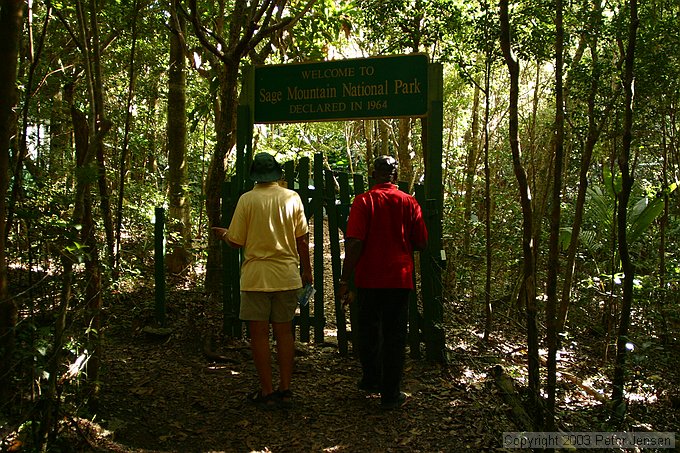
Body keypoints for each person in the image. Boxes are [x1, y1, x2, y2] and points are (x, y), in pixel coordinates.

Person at [212, 152, 312, 410]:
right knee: (285, 333)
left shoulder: (247, 200)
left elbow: (236, 240)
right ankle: (286, 388)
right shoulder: (292, 198)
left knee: (258, 336)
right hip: (286, 274)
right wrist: (307, 271)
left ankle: (266, 390)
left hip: (256, 277)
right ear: (277, 174)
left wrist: (223, 234)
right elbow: (302, 238)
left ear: (255, 176)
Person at [338, 155, 428, 410]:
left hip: (369, 278)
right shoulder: (409, 202)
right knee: (395, 335)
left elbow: (354, 241)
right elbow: (421, 242)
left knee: (367, 331)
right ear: (395, 176)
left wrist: (346, 278)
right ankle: (390, 393)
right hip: (399, 279)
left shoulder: (364, 201)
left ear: (373, 174)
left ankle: (371, 380)